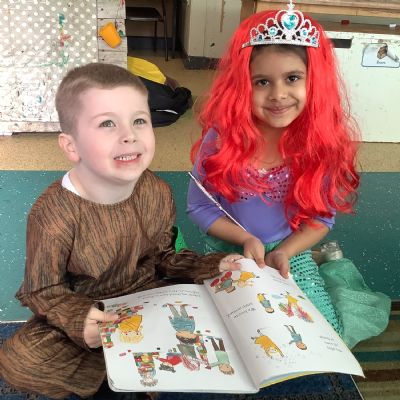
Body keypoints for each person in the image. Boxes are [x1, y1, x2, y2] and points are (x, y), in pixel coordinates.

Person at [0, 62, 243, 400]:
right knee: (22, 359)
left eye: (139, 120)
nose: (129, 135)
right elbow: (43, 289)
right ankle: (115, 370)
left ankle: (135, 370)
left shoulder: (156, 190)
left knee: (216, 313)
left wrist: (212, 265)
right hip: (87, 305)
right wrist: (79, 318)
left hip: (147, 295)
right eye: (107, 124)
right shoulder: (52, 213)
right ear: (71, 146)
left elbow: (165, 257)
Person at [187, 0, 391, 348]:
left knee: (320, 336)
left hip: (289, 254)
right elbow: (200, 207)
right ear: (242, 85)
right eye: (262, 81)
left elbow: (321, 218)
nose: (278, 95)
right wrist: (245, 239)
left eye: (293, 78)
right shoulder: (221, 138)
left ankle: (319, 268)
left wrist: (285, 252)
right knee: (228, 338)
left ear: (314, 81)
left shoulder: (320, 144)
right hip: (231, 253)